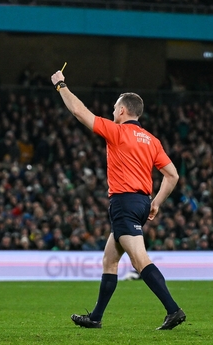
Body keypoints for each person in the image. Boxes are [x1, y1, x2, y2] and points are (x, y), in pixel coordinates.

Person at [50, 70, 185, 330]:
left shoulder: (118, 132)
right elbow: (172, 175)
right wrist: (156, 202)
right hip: (141, 202)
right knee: (110, 260)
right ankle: (96, 317)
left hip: (124, 202)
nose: (113, 112)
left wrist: (61, 86)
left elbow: (80, 112)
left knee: (139, 260)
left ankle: (173, 309)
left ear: (122, 110)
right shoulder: (152, 140)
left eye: (114, 108)